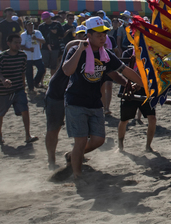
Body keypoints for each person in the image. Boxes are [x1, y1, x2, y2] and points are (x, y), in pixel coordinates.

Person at [61, 17, 142, 180]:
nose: (103, 37)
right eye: (98, 34)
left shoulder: (106, 55)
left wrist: (142, 83)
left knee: (98, 140)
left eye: (104, 34)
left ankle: (72, 156)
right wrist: (79, 50)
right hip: (75, 102)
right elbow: (67, 70)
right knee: (81, 141)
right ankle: (77, 175)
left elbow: (123, 70)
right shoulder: (76, 50)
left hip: (94, 101)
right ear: (88, 35)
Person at [44, 26, 89, 169]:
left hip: (75, 96)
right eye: (81, 35)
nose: (83, 38)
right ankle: (51, 160)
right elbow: (71, 44)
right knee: (53, 128)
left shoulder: (95, 53)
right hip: (57, 94)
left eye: (85, 35)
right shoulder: (73, 47)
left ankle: (74, 155)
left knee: (82, 130)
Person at [0, 33, 37, 145]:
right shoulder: (2, 56)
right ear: (9, 43)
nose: (18, 45)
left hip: (18, 88)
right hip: (4, 90)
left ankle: (28, 135)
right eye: (15, 43)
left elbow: (23, 72)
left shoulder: (22, 55)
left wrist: (23, 86)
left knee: (25, 111)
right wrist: (3, 80)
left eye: (19, 42)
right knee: (1, 112)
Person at [117, 46, 157, 153]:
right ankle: (120, 146)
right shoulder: (128, 53)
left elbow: (153, 71)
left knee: (152, 118)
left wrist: (144, 84)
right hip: (129, 89)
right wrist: (135, 83)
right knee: (124, 120)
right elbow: (124, 71)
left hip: (145, 89)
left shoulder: (150, 52)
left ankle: (148, 146)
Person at [21, 19, 47, 92]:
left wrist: (36, 38)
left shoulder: (37, 33)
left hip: (37, 56)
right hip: (28, 56)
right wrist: (28, 49)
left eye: (31, 25)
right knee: (29, 73)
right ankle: (30, 87)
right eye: (29, 25)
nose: (30, 27)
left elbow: (44, 41)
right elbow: (21, 46)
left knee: (42, 69)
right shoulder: (23, 35)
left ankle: (35, 81)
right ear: (26, 26)